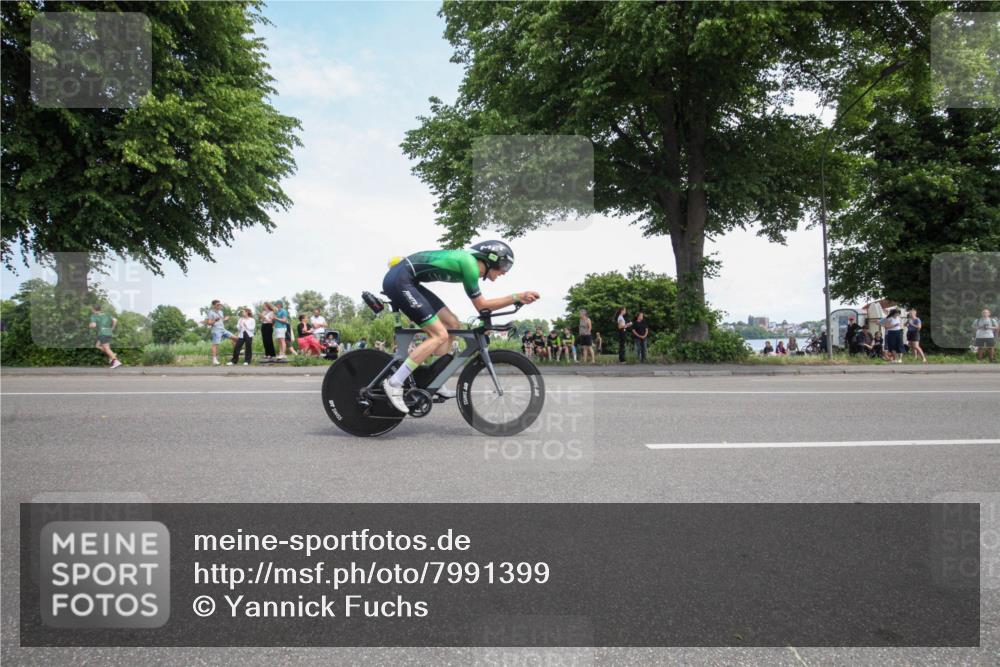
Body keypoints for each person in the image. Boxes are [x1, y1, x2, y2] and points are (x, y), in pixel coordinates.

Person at [379, 240, 539, 412]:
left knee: (452, 323)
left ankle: (434, 379)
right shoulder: (470, 265)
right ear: (492, 259)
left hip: (407, 280)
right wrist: (517, 296)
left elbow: (482, 307)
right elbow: (482, 305)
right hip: (400, 281)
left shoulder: (469, 263)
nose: (504, 272)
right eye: (505, 266)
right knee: (439, 335)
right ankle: (394, 382)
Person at [89, 304, 121, 368]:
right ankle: (112, 354)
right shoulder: (107, 314)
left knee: (107, 348)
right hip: (108, 333)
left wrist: (90, 325)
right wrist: (112, 328)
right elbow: (115, 320)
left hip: (103, 334)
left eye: (92, 309)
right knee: (97, 346)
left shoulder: (94, 316)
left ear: (93, 309)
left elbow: (94, 325)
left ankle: (115, 361)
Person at [204, 299, 235, 366]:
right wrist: (215, 320)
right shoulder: (211, 312)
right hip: (216, 330)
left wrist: (225, 319)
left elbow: (221, 320)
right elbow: (209, 323)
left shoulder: (221, 312)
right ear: (214, 305)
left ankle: (237, 352)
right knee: (215, 344)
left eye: (220, 304)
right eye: (217, 305)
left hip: (223, 329)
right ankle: (214, 360)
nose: (219, 306)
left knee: (235, 338)